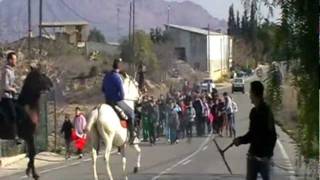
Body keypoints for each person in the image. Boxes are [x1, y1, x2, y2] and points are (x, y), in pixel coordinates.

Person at [233, 81, 277, 180]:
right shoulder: (253, 112)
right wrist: (240, 140)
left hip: (264, 158)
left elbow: (272, 135)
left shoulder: (267, 111)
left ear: (254, 93)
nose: (249, 95)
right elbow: (252, 134)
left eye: (250, 92)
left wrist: (268, 154)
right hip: (252, 156)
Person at [102, 58, 135, 144]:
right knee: (131, 114)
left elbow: (102, 89)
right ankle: (132, 136)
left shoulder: (106, 75)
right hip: (116, 101)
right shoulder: (118, 77)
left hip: (107, 101)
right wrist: (120, 97)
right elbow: (122, 94)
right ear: (119, 67)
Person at [0, 52, 21, 144]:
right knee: (13, 115)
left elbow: (11, 84)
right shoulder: (6, 71)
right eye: (14, 59)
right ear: (9, 60)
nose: (16, 61)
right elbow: (4, 86)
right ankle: (14, 136)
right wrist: (13, 89)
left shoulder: (12, 71)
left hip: (11, 96)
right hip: (6, 97)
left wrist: (15, 87)